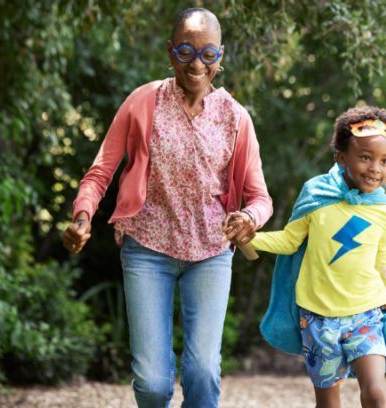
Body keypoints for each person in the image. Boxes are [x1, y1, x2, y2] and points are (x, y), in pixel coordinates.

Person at [61, 7, 272, 408]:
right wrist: (83, 215)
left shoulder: (236, 119)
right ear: (170, 53)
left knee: (203, 372)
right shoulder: (143, 103)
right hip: (147, 248)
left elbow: (260, 198)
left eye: (208, 54)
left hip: (210, 253)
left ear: (220, 57)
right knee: (154, 383)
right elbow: (100, 172)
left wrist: (249, 218)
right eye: (186, 51)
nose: (197, 63)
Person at [233, 106, 386, 408]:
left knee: (376, 392)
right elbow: (290, 241)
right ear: (341, 157)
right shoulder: (316, 195)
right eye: (365, 157)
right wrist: (253, 238)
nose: (375, 169)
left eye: (384, 161)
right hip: (318, 317)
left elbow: (381, 255)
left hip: (365, 313)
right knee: (329, 403)